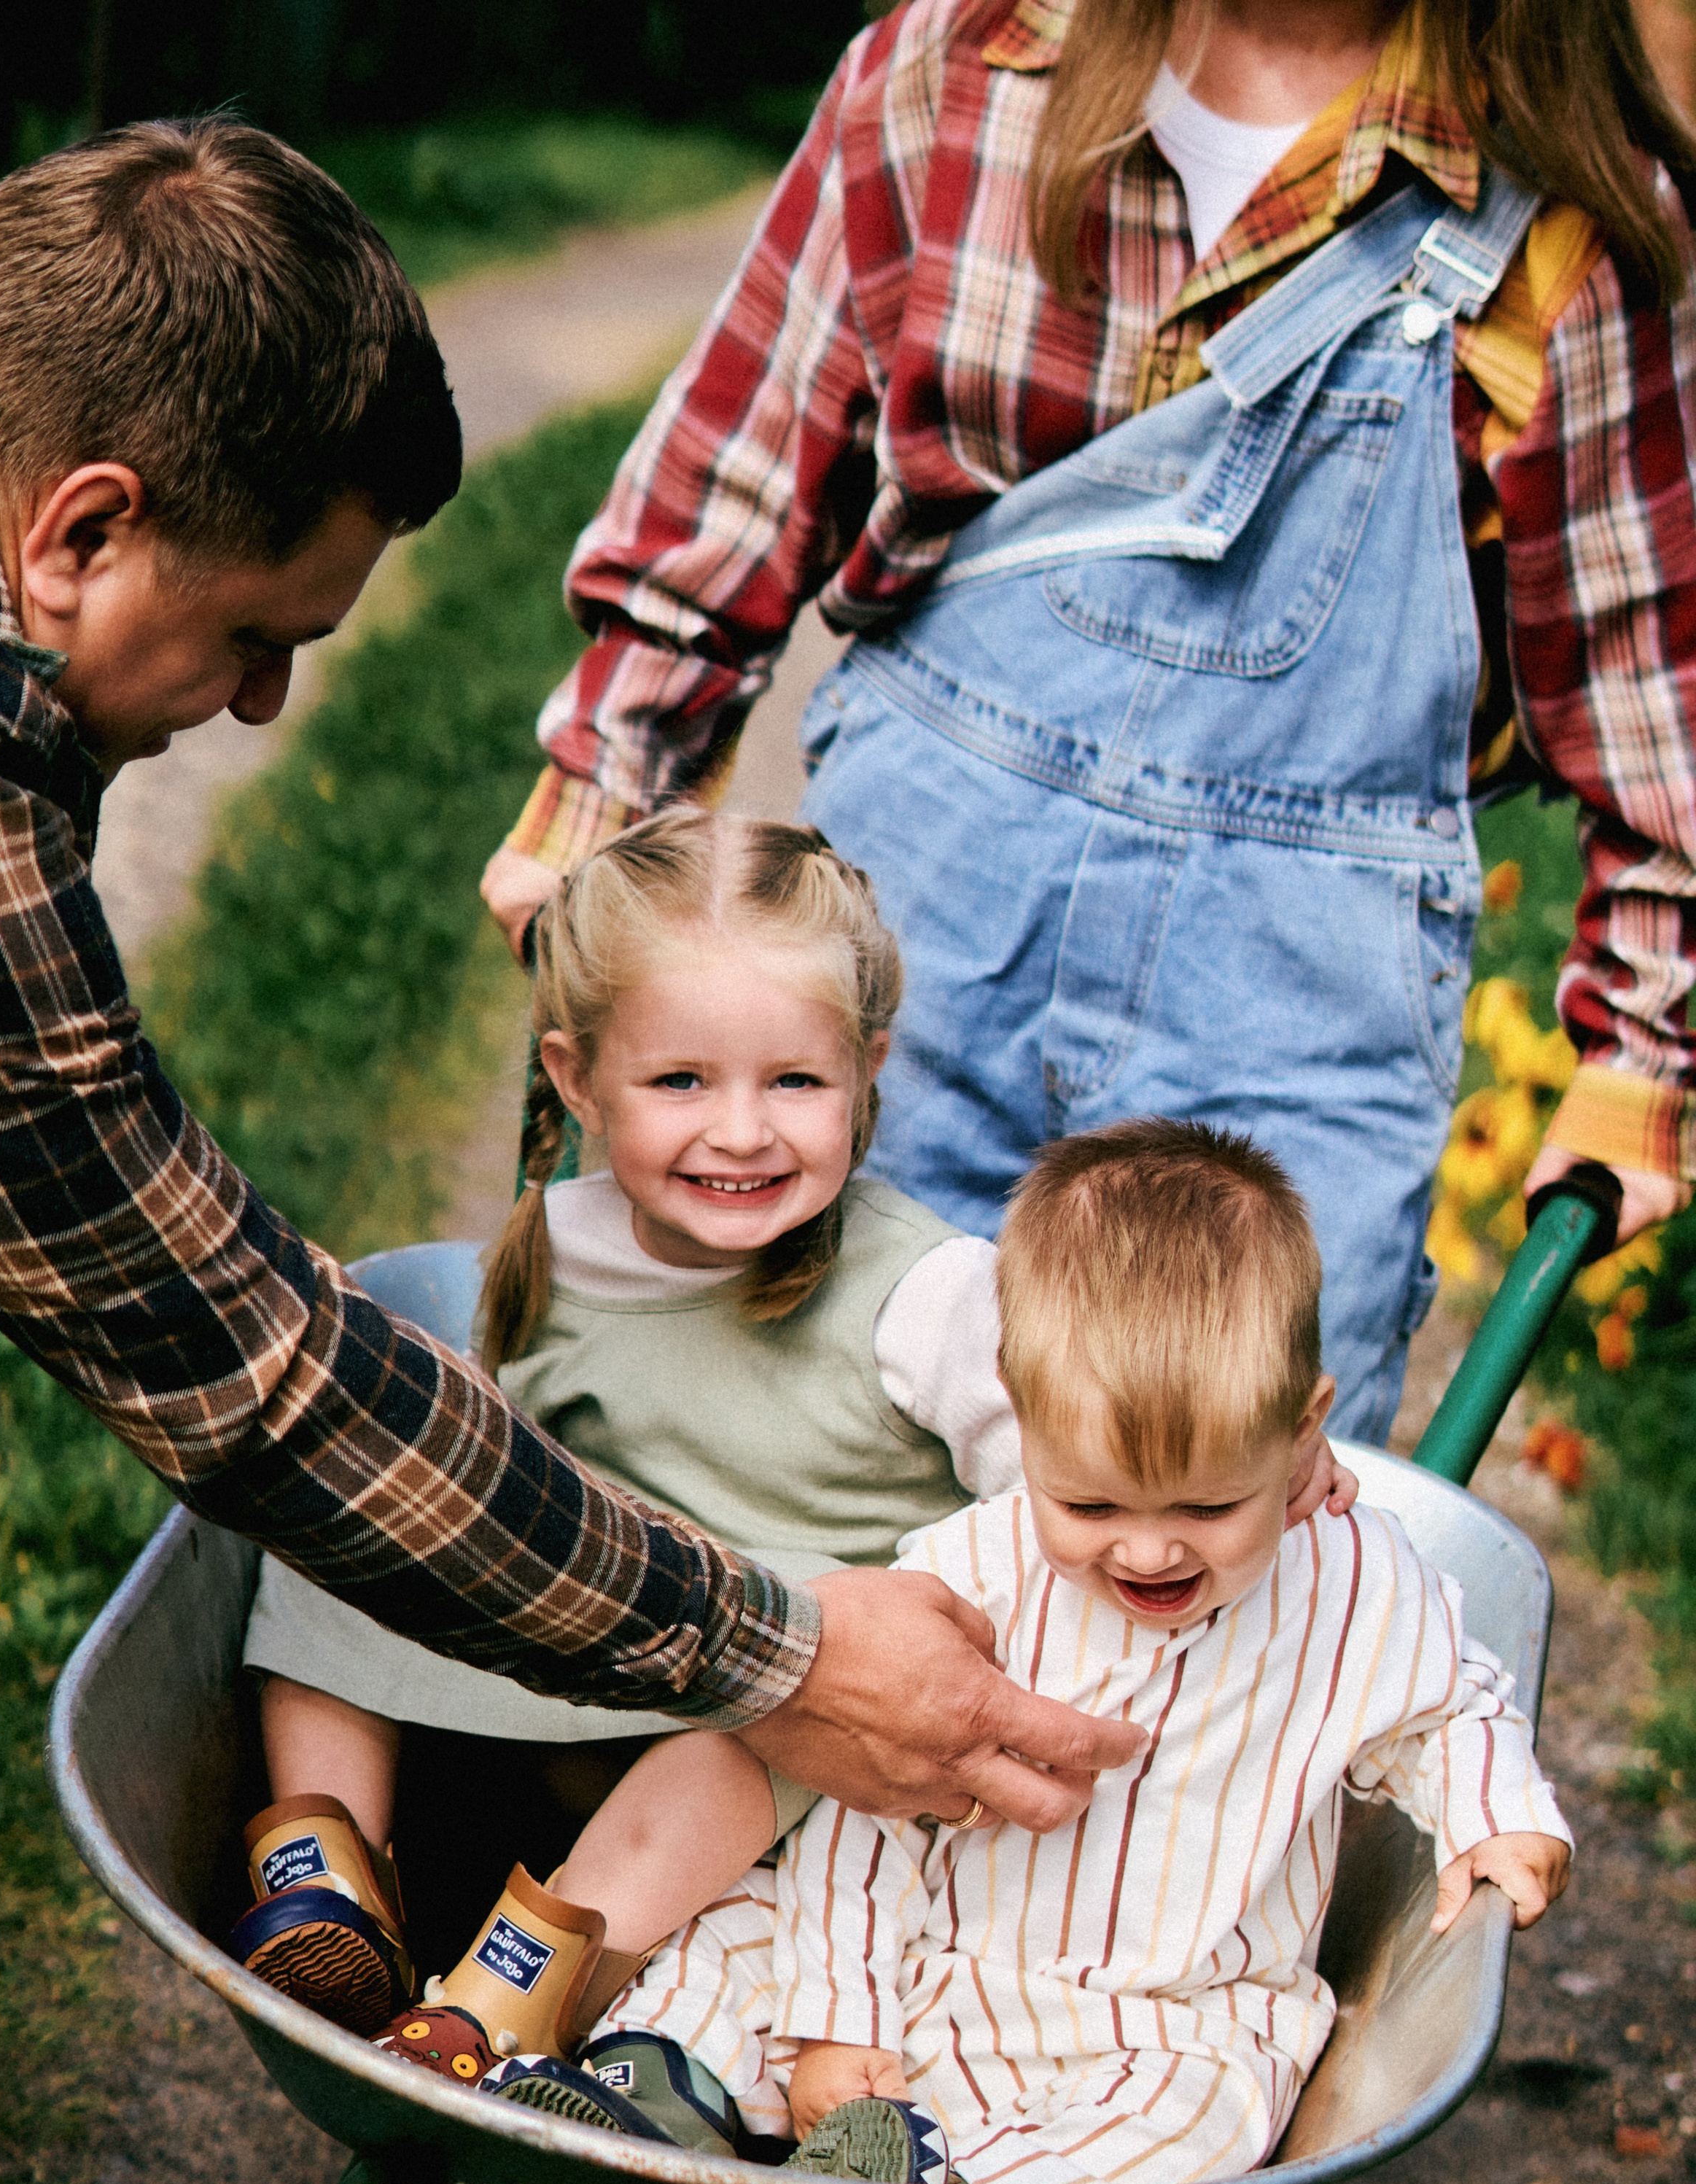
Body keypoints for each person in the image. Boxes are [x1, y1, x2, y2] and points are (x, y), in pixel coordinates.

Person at [0, 116, 1152, 1863]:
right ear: (83, 526)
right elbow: (249, 1372)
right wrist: (780, 1651)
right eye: (255, 638)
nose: (257, 712)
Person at [479, 0, 1696, 1446]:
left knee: (1216, 1532)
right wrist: (600, 800)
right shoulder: (953, 78)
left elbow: (1655, 702)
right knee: (809, 1453)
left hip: (1289, 1018)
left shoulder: (1559, 210)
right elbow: (726, 494)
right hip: (918, 954)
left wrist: (1641, 1051)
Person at [233, 812, 1357, 2042]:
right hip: (601, 1661)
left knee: (772, 1700)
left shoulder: (927, 1298)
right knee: (340, 1522)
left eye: (796, 1081)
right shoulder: (551, 1250)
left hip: (799, 1727)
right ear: (577, 1079)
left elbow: (1092, 1471)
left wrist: (1238, 1457)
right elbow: (510, 1481)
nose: (742, 1130)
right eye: (680, 1081)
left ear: (867, 1072)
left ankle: (511, 2000)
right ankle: (328, 1872)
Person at [483, 1121, 1571, 2184]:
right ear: (1023, 1417)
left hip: (1173, 2020)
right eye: (1089, 1501)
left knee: (1205, 2112)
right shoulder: (973, 1572)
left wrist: (1498, 1815)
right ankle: (652, 2094)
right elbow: (868, 1803)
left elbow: (1453, 1707)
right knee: (738, 1933)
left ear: (1303, 1433)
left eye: (1208, 1504)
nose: (1148, 1547)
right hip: (926, 1962)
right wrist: (840, 2023)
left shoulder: (1358, 1587)